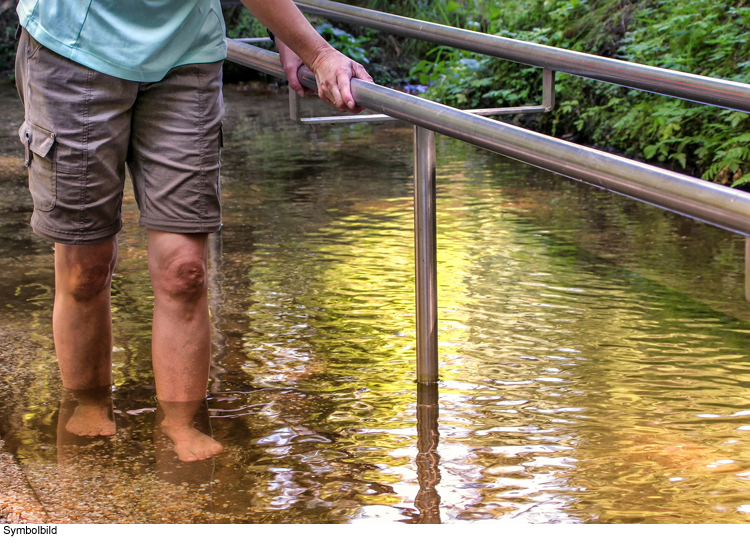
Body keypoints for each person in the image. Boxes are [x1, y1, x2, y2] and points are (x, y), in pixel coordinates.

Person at [15, 0, 373, 461]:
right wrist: (319, 53)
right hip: (75, 48)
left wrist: (290, 37)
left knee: (185, 271)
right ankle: (88, 404)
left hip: (187, 56)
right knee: (86, 265)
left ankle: (181, 421)